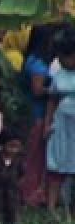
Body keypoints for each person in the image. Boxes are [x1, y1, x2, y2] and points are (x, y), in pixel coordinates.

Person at [19, 24, 56, 206]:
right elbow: (37, 90)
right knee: (34, 155)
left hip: (39, 113)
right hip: (37, 114)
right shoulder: (37, 63)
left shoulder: (35, 59)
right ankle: (29, 193)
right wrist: (58, 90)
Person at [45, 34, 75, 210]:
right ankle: (51, 208)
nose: (62, 61)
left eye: (65, 57)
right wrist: (48, 124)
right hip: (62, 125)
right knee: (57, 165)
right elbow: (51, 100)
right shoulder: (57, 72)